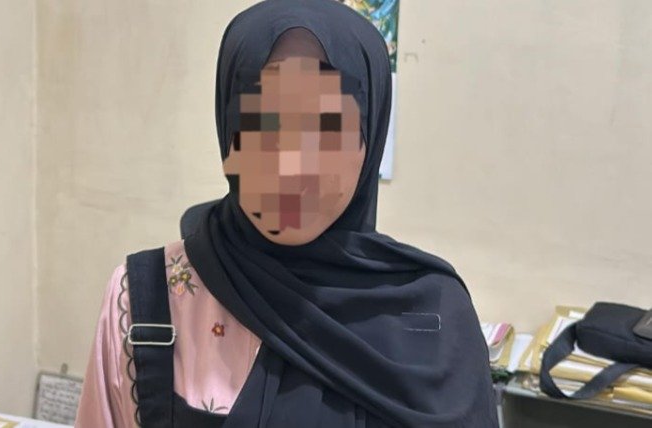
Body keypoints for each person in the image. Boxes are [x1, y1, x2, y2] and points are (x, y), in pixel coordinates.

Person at [75, 0, 499, 427]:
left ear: (369, 140)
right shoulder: (147, 300)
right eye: (261, 120)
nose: (291, 163)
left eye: (326, 125)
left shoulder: (437, 321)